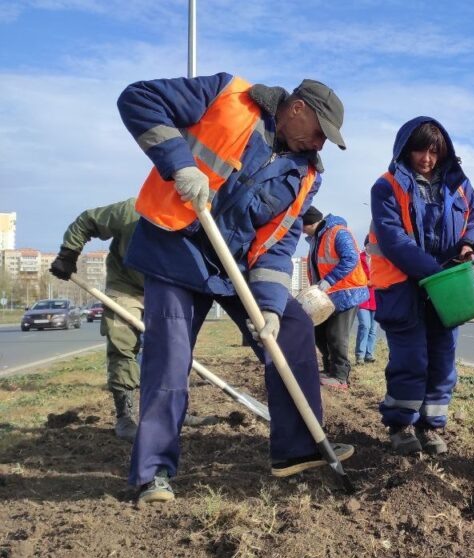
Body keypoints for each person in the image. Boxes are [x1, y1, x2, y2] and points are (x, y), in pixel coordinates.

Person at [118, 72, 355, 505]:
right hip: (177, 247)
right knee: (169, 358)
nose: (320, 145)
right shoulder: (229, 95)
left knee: (293, 328)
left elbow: (278, 243)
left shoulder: (305, 175)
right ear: (297, 108)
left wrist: (268, 308)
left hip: (235, 268)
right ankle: (153, 473)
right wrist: (180, 163)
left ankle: (297, 449)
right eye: (320, 133)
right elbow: (138, 98)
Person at [49, 198, 218, 441]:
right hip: (126, 287)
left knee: (173, 350)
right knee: (122, 344)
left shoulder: (198, 220)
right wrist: (68, 253)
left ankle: (173, 410)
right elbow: (87, 220)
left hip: (168, 288)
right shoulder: (131, 211)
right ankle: (125, 416)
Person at [366, 117, 474, 456]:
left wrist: (469, 245)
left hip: (447, 286)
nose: (427, 159)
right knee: (411, 358)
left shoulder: (460, 184)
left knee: (443, 359)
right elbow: (393, 239)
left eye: (434, 151)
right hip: (404, 286)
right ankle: (401, 423)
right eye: (420, 150)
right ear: (406, 149)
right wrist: (435, 274)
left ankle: (431, 426)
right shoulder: (386, 186)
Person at [302, 206, 369, 390]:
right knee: (319, 333)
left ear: (309, 222)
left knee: (337, 336)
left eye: (302, 226)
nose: (301, 231)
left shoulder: (338, 232)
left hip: (346, 292)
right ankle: (329, 370)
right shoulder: (317, 238)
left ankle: (340, 376)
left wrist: (328, 280)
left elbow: (350, 258)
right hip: (327, 296)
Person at [354, 238, 379, 364]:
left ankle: (369, 354)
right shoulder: (358, 258)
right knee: (365, 325)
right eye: (370, 244)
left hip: (377, 298)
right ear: (366, 245)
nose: (372, 247)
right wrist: (365, 282)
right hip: (362, 297)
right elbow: (354, 275)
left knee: (373, 329)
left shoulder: (380, 259)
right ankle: (360, 355)